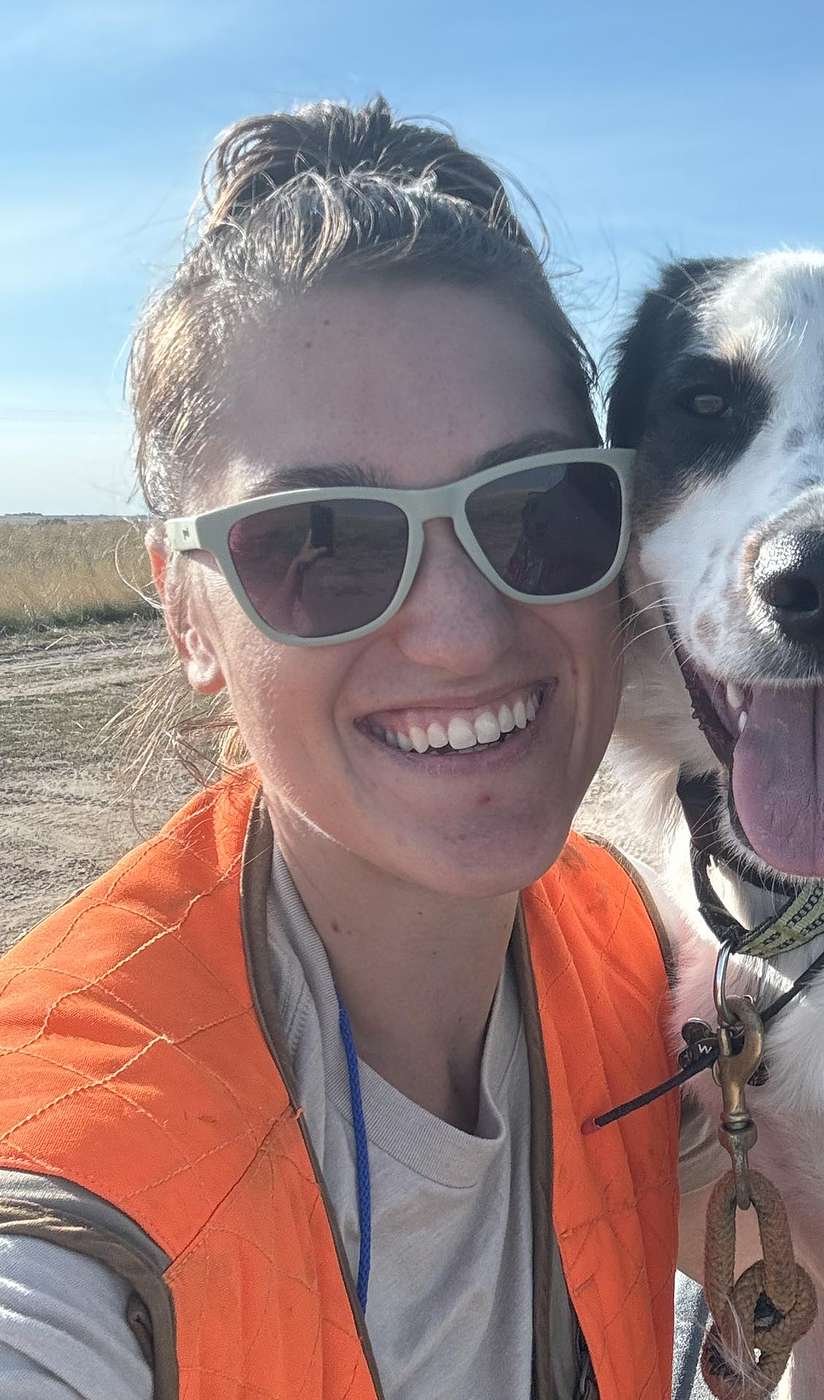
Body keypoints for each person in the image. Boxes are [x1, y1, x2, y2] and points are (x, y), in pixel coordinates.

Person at [0, 98, 697, 1399]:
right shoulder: (65, 1192)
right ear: (186, 613)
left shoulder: (640, 953)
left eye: (537, 510)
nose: (460, 633)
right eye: (322, 544)